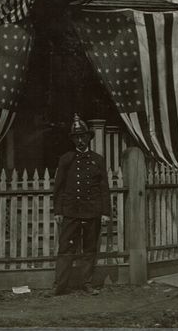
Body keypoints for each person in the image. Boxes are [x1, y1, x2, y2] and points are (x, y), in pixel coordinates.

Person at [52, 113, 110, 295]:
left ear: (88, 138)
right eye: (77, 137)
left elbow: (104, 189)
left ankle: (87, 283)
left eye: (83, 137)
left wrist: (105, 212)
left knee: (90, 249)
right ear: (73, 140)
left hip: (92, 212)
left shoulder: (98, 160)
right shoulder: (66, 159)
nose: (80, 141)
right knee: (65, 249)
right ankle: (60, 285)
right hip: (71, 211)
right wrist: (58, 211)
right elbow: (59, 188)